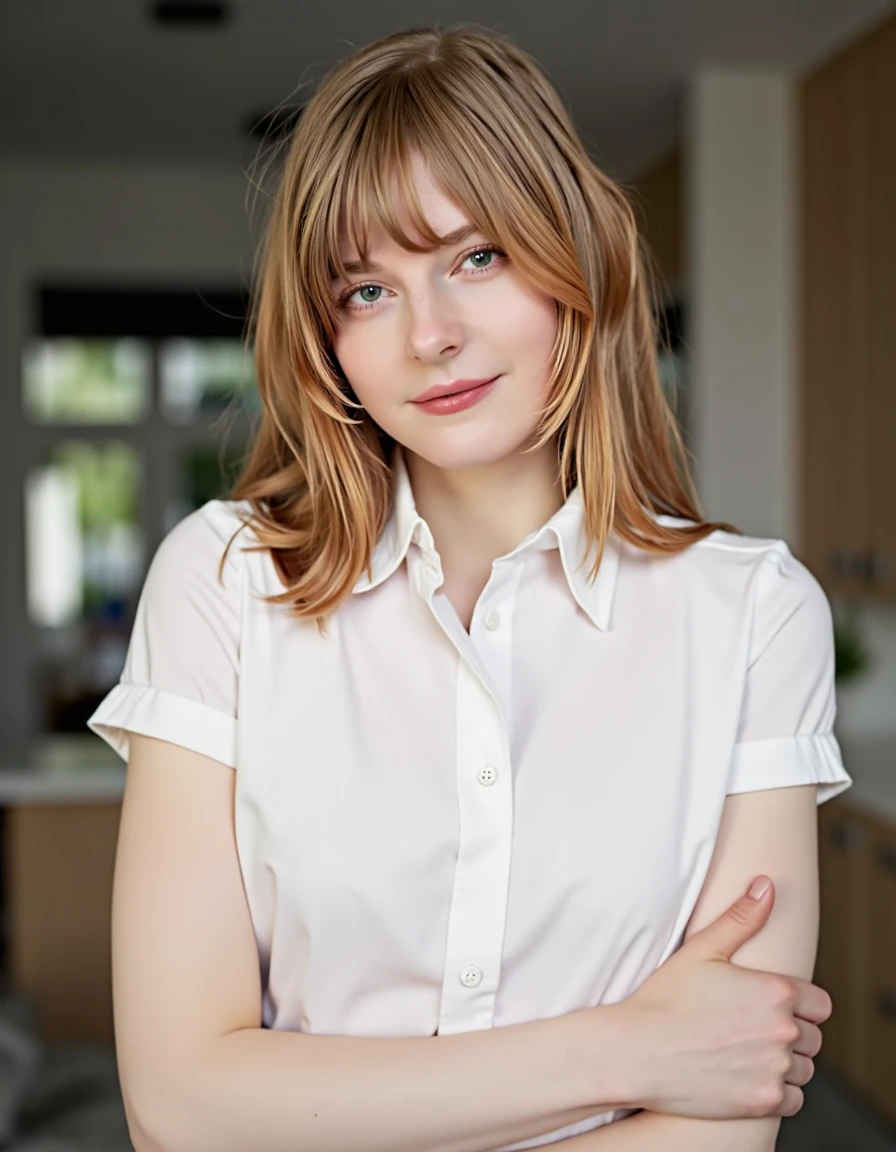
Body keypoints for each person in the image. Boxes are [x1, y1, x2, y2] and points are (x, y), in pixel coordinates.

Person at [87, 24, 853, 1152]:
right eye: (365, 291)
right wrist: (631, 1046)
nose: (431, 336)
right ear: (326, 338)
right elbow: (178, 1104)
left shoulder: (749, 615)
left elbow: (718, 1123)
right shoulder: (223, 582)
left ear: (573, 264)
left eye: (476, 257)